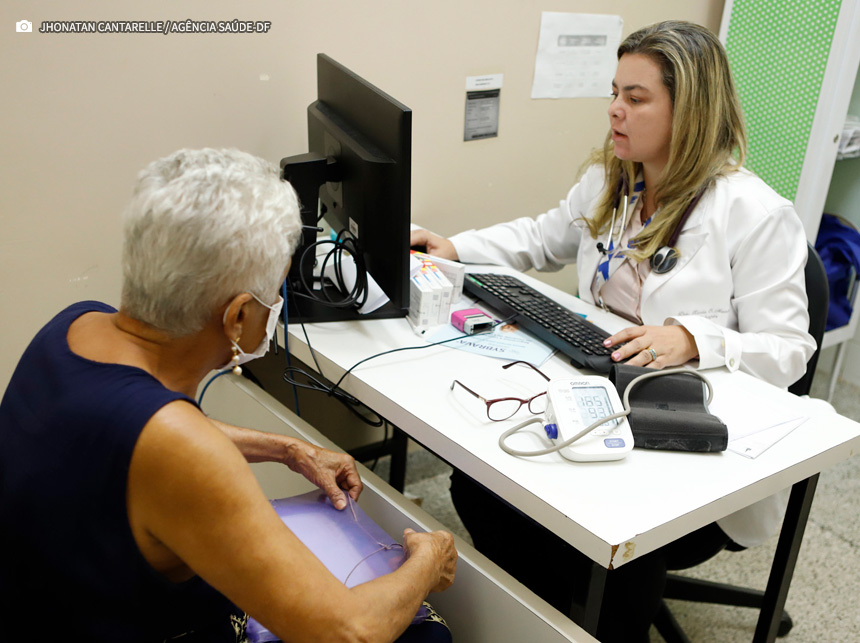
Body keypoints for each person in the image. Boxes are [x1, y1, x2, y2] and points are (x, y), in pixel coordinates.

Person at [412, 21, 815, 641]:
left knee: (618, 542)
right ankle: (550, 620)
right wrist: (454, 246)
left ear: (691, 110)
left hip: (688, 434)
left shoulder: (755, 215)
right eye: (614, 92)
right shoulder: (614, 180)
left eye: (636, 97)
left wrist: (694, 340)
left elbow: (789, 352)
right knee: (481, 487)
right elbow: (542, 236)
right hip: (599, 394)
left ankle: (595, 615)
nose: (614, 111)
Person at [0, 148, 457, 643]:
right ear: (238, 316)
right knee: (424, 634)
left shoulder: (74, 326)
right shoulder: (180, 450)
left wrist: (285, 448)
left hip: (43, 603)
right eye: (274, 296)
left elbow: (121, 435)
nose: (275, 309)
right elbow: (350, 633)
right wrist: (428, 563)